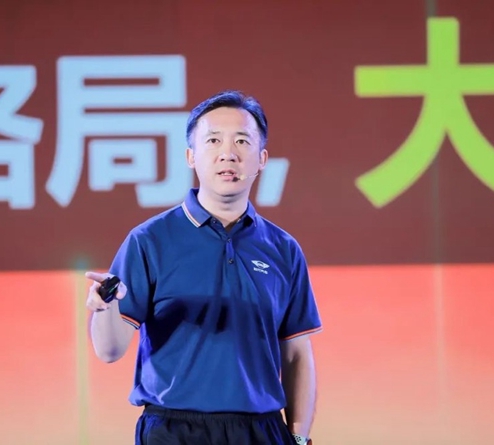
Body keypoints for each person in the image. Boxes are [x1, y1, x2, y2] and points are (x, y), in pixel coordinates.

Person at [86, 90, 322, 445]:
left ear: (262, 159)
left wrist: (299, 438)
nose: (228, 153)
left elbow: (296, 354)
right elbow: (109, 351)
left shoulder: (283, 249)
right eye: (213, 140)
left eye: (242, 141)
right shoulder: (150, 240)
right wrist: (104, 307)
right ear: (190, 156)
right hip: (173, 431)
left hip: (261, 432)